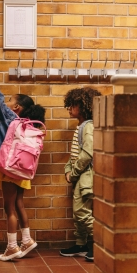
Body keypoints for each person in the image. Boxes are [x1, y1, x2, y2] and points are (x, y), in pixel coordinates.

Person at [0, 60, 46, 261]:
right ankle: (27, 240)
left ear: (16, 107)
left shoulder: (11, 117)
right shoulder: (28, 125)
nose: (5, 104)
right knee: (19, 204)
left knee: (9, 208)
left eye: (10, 102)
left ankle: (12, 247)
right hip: (22, 168)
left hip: (10, 167)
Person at [59, 87, 101, 262]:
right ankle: (82, 244)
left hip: (85, 175)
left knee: (81, 211)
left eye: (73, 105)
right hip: (79, 174)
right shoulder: (82, 126)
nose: (69, 108)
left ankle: (101, 244)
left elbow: (88, 153)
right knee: (78, 213)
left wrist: (74, 172)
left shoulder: (89, 126)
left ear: (84, 106)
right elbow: (75, 155)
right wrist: (68, 169)